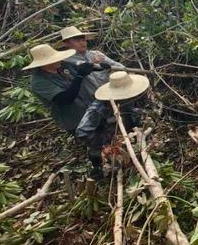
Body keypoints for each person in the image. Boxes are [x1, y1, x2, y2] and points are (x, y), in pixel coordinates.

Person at [24, 43, 100, 175]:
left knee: (103, 132)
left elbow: (81, 68)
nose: (59, 60)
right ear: (44, 64)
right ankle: (97, 168)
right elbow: (66, 99)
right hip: (74, 118)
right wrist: (80, 76)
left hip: (89, 108)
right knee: (92, 143)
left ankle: (108, 155)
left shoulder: (63, 66)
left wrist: (97, 67)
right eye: (54, 59)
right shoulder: (39, 82)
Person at [59, 26, 123, 103]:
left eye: (83, 40)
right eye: (77, 41)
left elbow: (120, 67)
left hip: (113, 93)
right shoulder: (66, 62)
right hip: (93, 100)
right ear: (67, 44)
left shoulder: (96, 54)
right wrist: (94, 63)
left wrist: (109, 68)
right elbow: (82, 66)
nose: (82, 43)